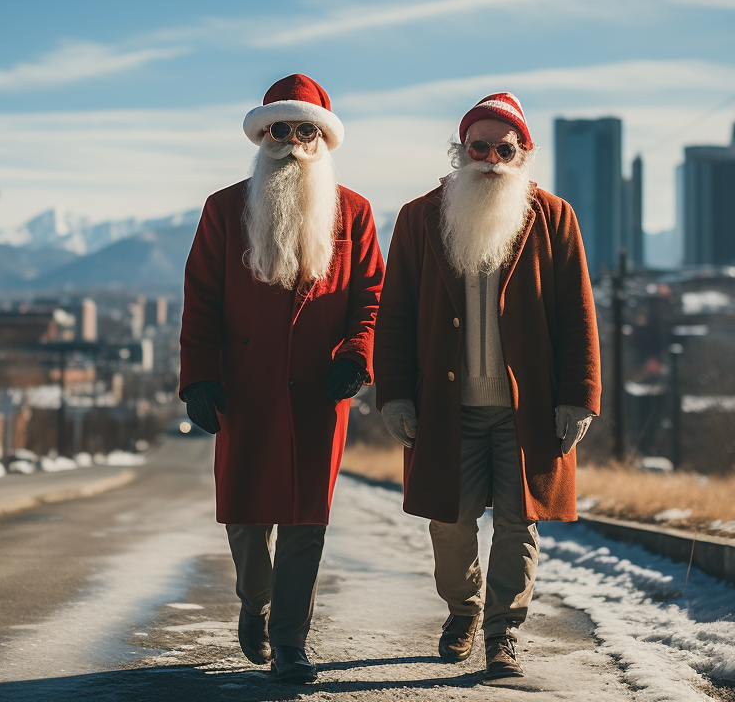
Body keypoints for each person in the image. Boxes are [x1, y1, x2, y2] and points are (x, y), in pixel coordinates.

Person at [373, 92, 600, 680]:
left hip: (526, 409)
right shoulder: (420, 216)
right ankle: (464, 607)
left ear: (523, 153)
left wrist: (579, 397)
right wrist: (394, 392)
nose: (493, 157)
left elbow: (578, 315)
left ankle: (503, 633)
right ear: (461, 149)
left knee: (518, 522)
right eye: (481, 146)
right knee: (449, 523)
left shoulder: (553, 217)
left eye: (507, 147)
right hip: (446, 408)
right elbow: (394, 313)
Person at [178, 73, 385, 684]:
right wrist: (199, 379)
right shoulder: (223, 208)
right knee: (245, 516)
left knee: (305, 521)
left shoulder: (356, 211)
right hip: (244, 384)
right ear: (262, 136)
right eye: (278, 130)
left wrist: (357, 356)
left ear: (323, 138)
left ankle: (290, 642)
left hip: (319, 390)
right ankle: (255, 601)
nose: (291, 141)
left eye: (304, 130)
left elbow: (372, 294)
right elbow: (201, 300)